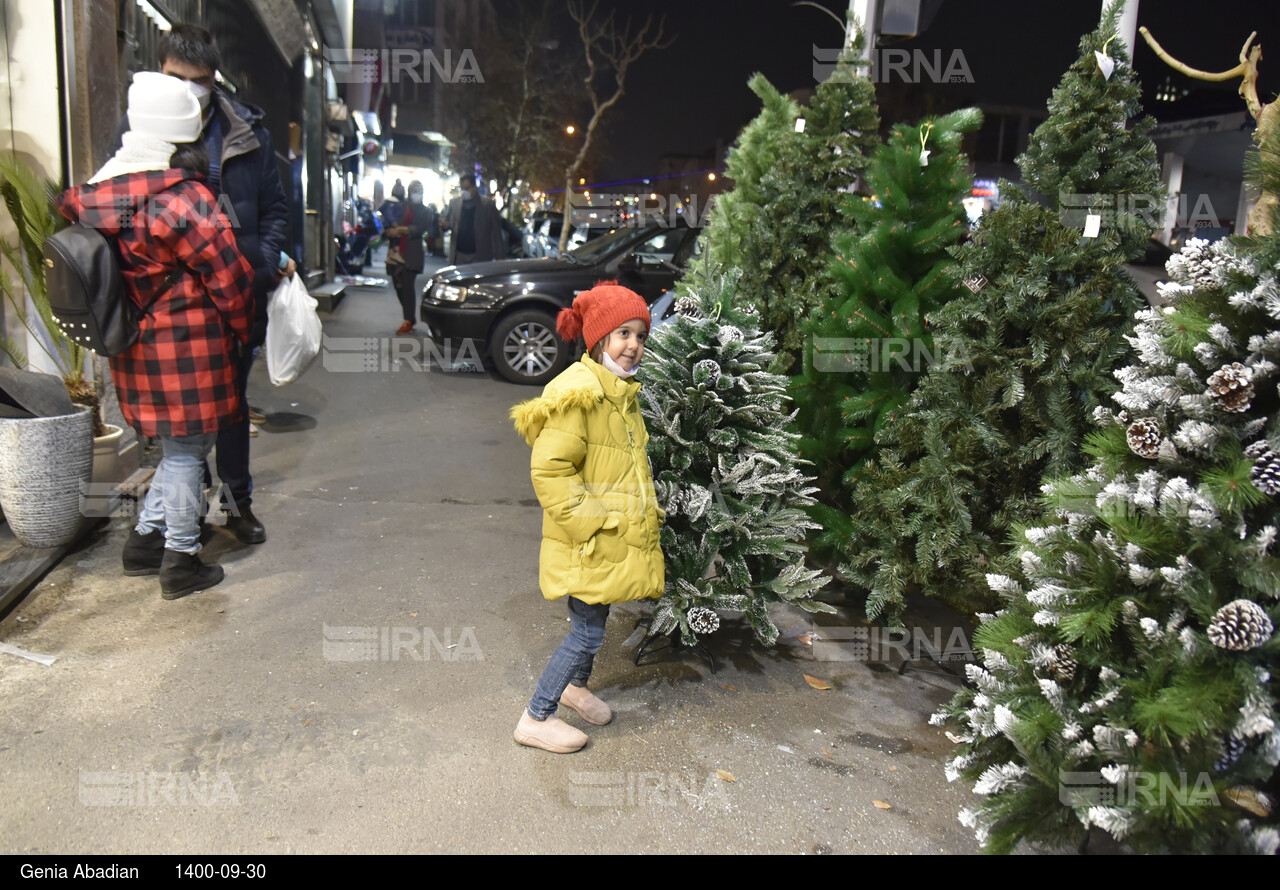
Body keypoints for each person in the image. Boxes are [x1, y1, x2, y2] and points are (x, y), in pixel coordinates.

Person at [61, 72, 254, 600]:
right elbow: (231, 279)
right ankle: (181, 560)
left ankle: (145, 541)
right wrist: (244, 330)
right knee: (189, 450)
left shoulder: (96, 196)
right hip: (188, 347)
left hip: (131, 345)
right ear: (184, 132)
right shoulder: (182, 199)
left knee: (175, 449)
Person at [116, 22, 292, 545]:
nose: (189, 90)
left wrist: (258, 266)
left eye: (200, 81)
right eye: (177, 77)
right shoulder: (143, 126)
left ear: (215, 81)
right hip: (164, 309)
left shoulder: (245, 134)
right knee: (181, 434)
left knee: (232, 409)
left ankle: (234, 504)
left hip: (234, 293)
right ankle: (179, 532)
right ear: (160, 72)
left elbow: (275, 210)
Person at [508, 282, 665, 753]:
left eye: (640, 335)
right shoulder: (581, 393)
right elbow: (551, 470)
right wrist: (593, 524)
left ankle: (576, 688)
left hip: (609, 538)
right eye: (623, 334)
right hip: (589, 538)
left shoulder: (620, 393)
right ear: (598, 340)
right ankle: (537, 715)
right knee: (586, 630)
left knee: (595, 613)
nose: (633, 345)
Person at [385, 180, 429, 334]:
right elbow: (389, 224)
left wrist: (401, 229)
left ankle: (408, 319)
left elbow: (420, 228)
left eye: (419, 190)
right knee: (398, 286)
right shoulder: (401, 206)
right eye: (414, 190)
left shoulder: (425, 211)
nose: (417, 194)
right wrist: (391, 231)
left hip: (412, 253)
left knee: (407, 285)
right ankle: (409, 316)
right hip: (396, 252)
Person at [442, 174, 503, 265]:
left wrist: (500, 256)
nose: (464, 192)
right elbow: (447, 223)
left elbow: (497, 232)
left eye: (467, 188)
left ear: (475, 187)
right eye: (462, 189)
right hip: (458, 255)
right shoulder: (454, 203)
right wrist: (445, 226)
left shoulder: (487, 205)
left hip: (480, 256)